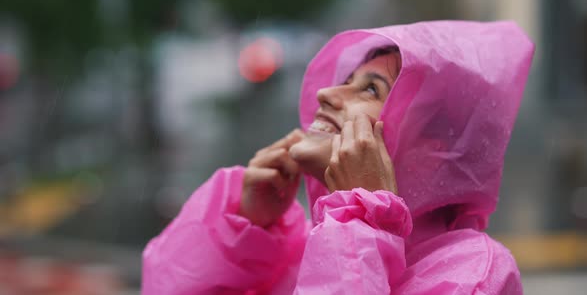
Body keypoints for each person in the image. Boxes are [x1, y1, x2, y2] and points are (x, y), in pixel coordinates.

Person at [142, 21, 534, 294]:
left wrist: (359, 219)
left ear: (434, 151)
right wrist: (243, 231)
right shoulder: (298, 246)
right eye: (346, 82)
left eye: (369, 91)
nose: (326, 95)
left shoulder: (473, 272)